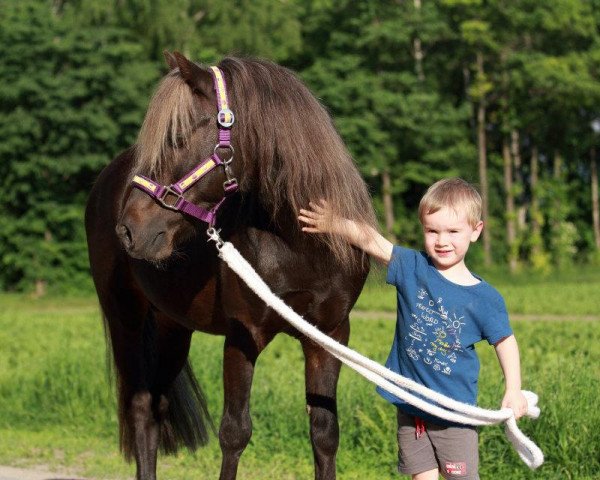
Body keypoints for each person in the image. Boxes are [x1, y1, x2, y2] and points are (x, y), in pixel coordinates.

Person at [298, 178, 528, 480]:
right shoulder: (413, 268)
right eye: (432, 230)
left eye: (453, 231)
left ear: (476, 231)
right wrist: (335, 222)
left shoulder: (484, 299)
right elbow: (371, 240)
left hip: (453, 417)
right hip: (410, 408)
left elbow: (505, 341)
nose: (441, 241)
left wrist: (513, 388)